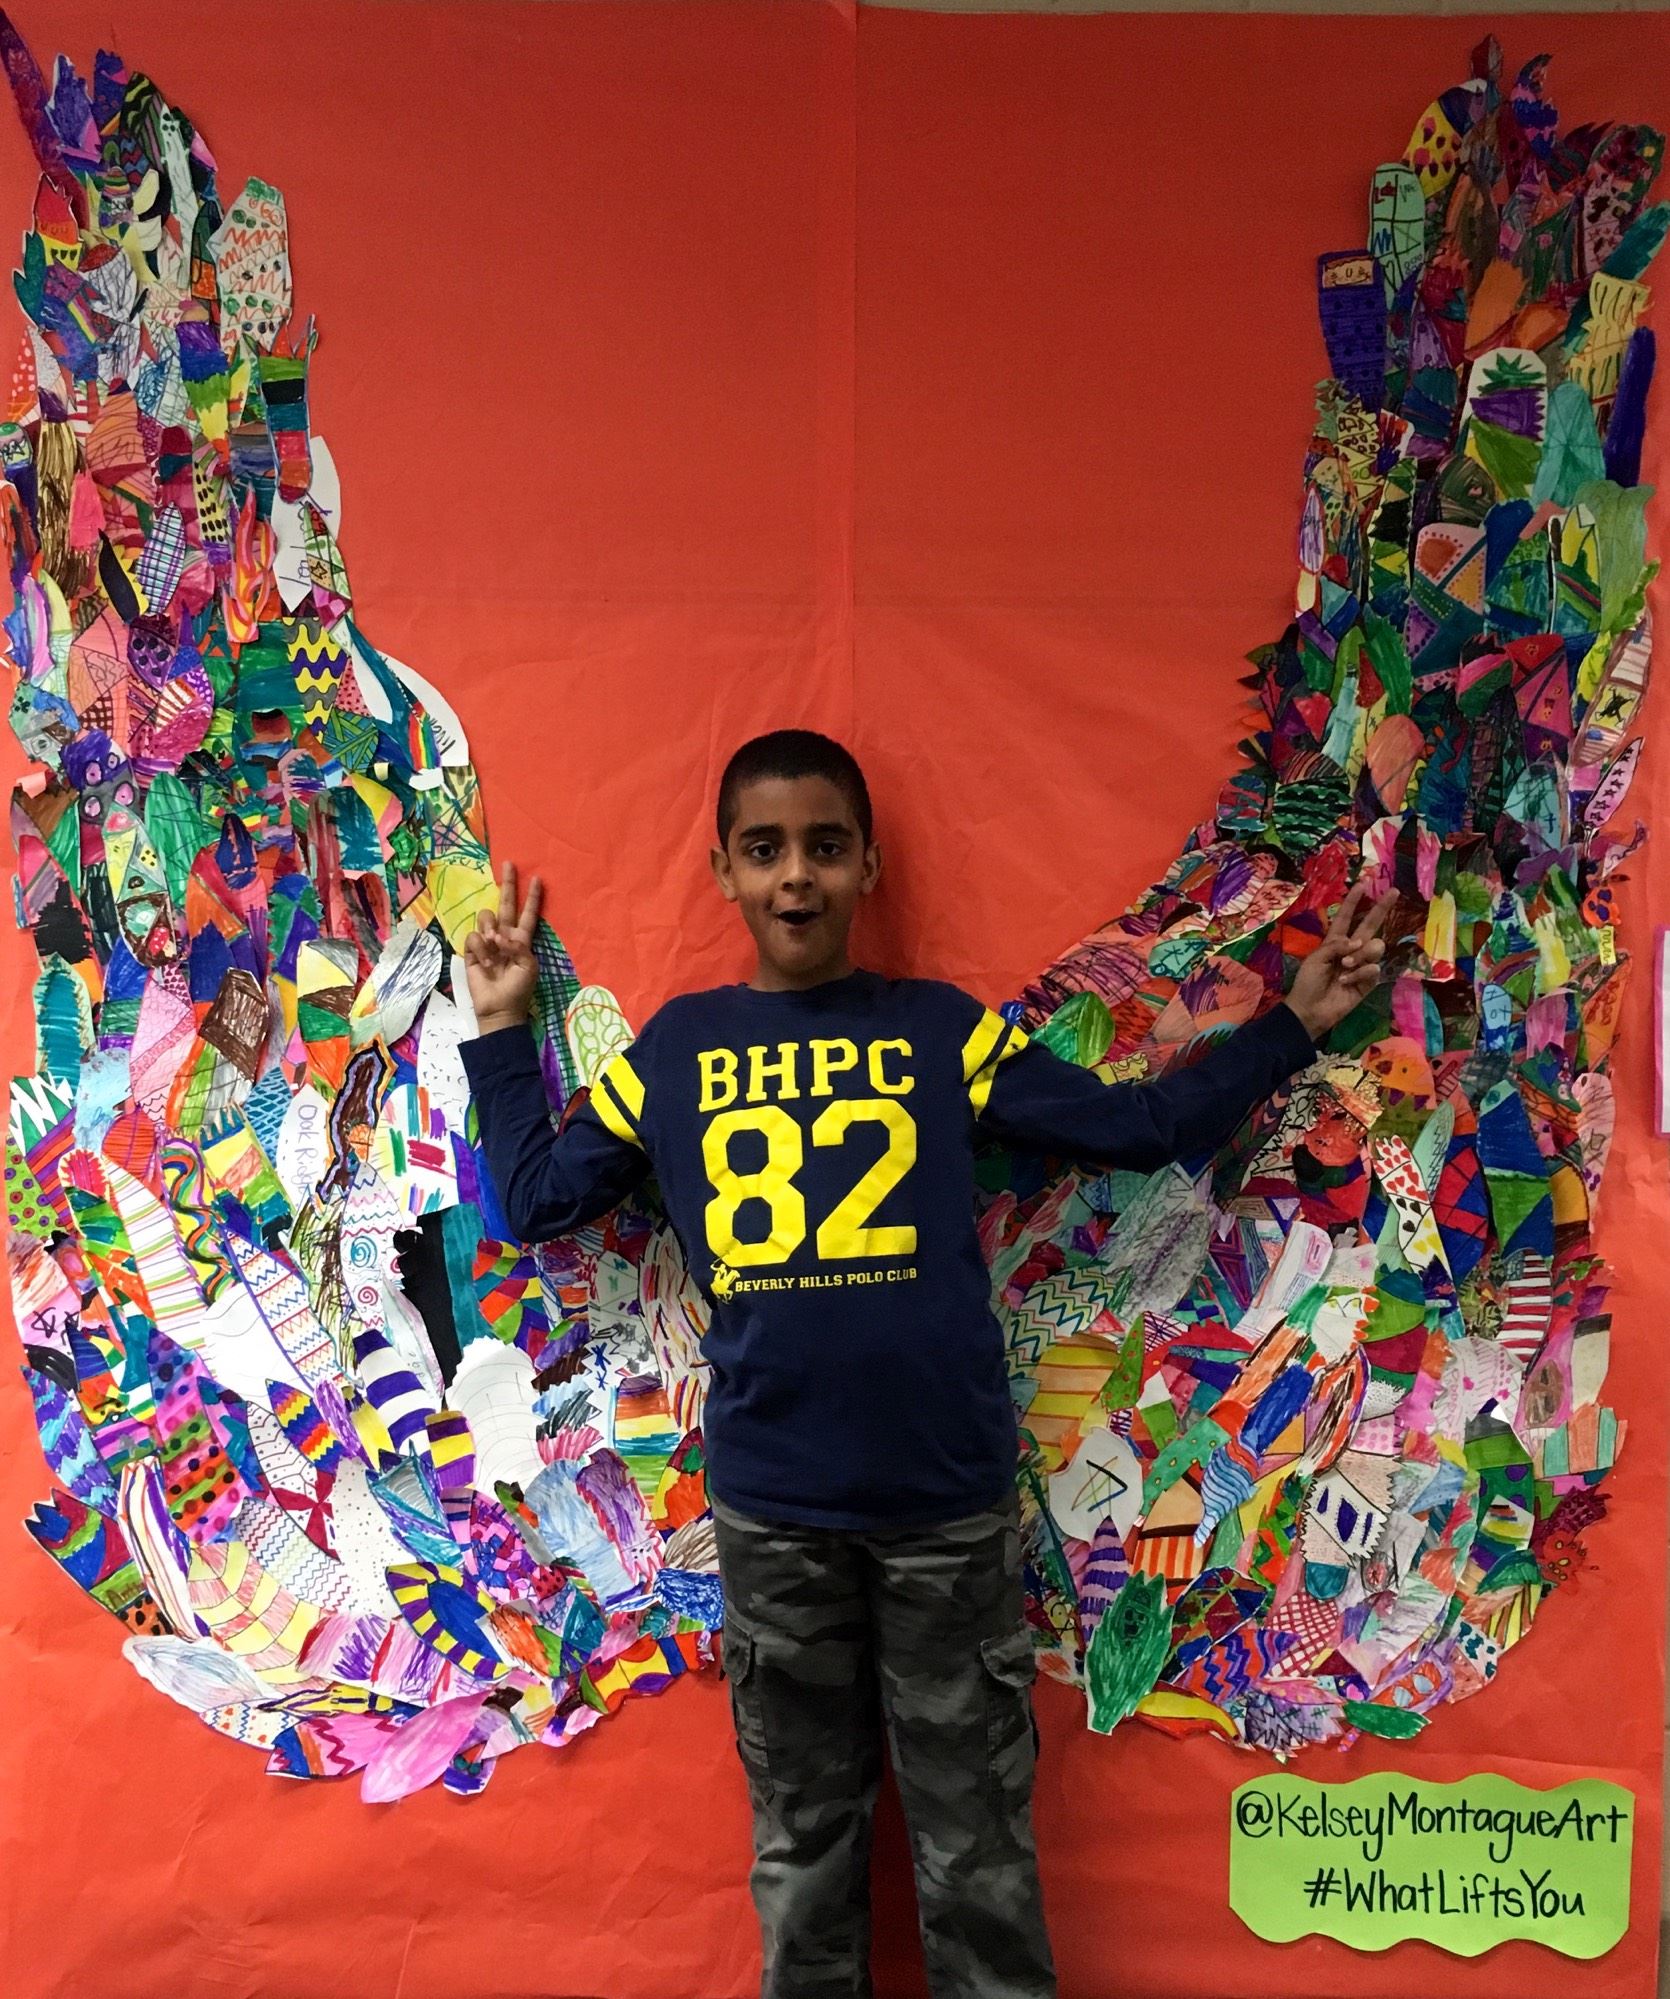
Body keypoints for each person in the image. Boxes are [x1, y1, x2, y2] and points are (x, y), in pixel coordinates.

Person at [459, 728, 1390, 1999]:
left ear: (869, 865)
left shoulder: (937, 1031)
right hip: (775, 1518)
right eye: (764, 849)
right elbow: (533, 1200)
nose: (796, 875)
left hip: (944, 1513)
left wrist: (1291, 1024)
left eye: (825, 846)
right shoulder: (675, 1049)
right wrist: (501, 1023)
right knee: (804, 1858)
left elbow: (1135, 1124)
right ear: (723, 871)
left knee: (978, 1858)